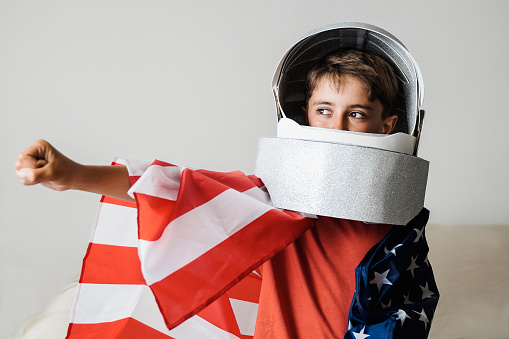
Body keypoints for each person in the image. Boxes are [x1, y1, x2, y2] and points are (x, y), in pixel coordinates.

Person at [16, 23, 438, 339]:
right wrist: (73, 175)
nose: (336, 126)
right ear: (304, 114)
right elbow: (177, 189)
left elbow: (409, 310)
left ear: (389, 126)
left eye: (357, 114)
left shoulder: (401, 227)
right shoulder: (274, 199)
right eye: (324, 110)